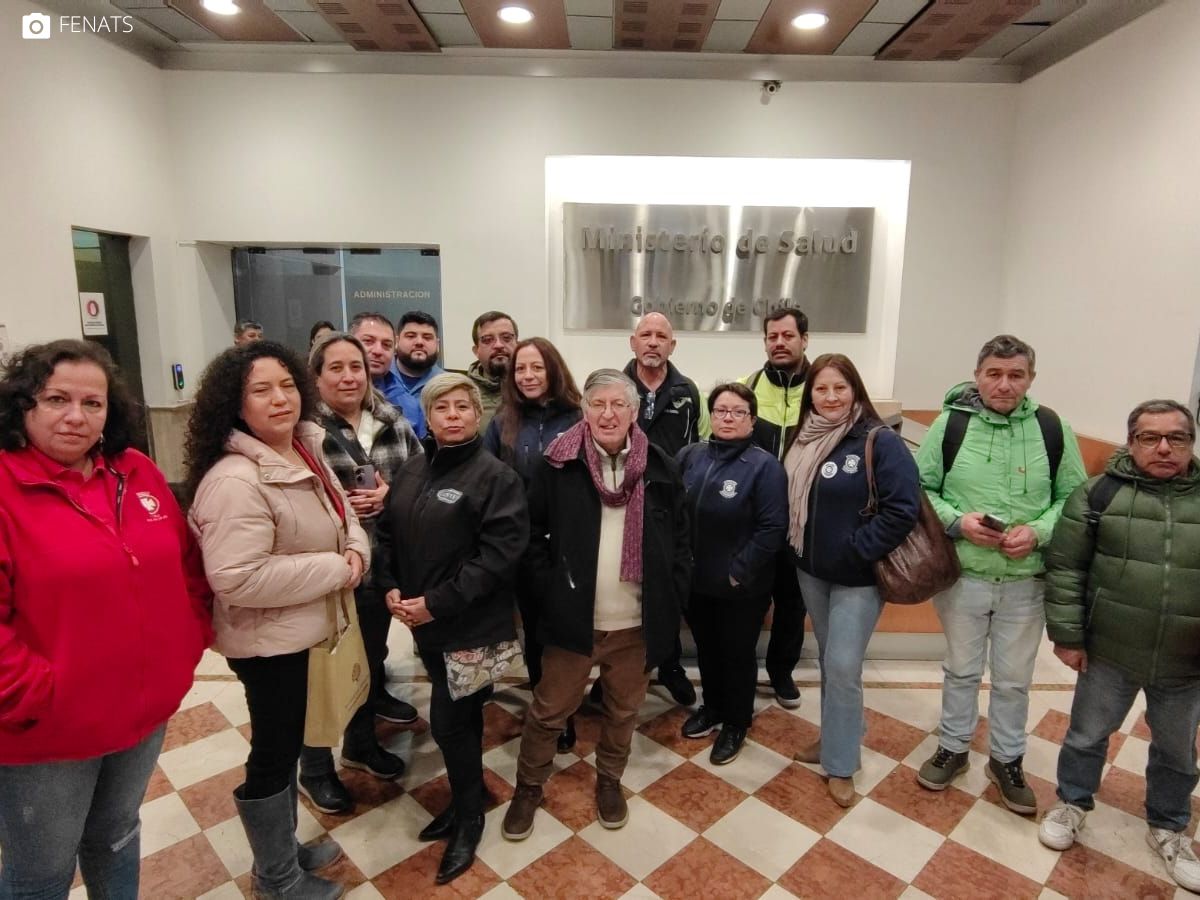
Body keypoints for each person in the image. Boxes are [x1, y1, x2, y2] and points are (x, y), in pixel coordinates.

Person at [0, 340, 212, 899]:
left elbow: (188, 568)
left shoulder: (136, 471)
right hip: (50, 730)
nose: (76, 416)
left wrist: (183, 647)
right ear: (23, 405)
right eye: (56, 399)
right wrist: (39, 695)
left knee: (117, 837)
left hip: (143, 711)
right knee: (42, 873)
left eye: (92, 403)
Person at [186, 340, 370, 900]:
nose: (280, 398)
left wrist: (356, 549)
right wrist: (337, 568)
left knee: (288, 747)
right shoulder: (235, 479)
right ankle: (277, 879)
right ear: (236, 405)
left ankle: (284, 850)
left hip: (303, 630)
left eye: (287, 385)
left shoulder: (304, 449)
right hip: (267, 643)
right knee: (273, 753)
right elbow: (237, 579)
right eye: (261, 390)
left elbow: (343, 512)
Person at [502, 369, 691, 841]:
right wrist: (549, 593)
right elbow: (530, 536)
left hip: (635, 626)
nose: (608, 414)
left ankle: (609, 780)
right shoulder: (557, 465)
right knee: (548, 712)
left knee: (623, 713)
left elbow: (682, 543)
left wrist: (671, 596)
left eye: (618, 404)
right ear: (584, 410)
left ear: (633, 412)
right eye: (598, 404)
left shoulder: (661, 467)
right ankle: (529, 786)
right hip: (573, 624)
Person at [915, 334, 1086, 814]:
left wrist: (1038, 531)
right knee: (961, 670)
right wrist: (959, 522)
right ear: (978, 376)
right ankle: (953, 747)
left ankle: (1007, 760)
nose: (1004, 384)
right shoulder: (950, 424)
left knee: (1013, 679)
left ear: (1031, 378)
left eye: (1015, 375)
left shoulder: (1053, 428)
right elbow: (920, 488)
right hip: (964, 576)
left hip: (1026, 579)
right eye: (994, 374)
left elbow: (1073, 499)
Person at [1039, 400, 1200, 893]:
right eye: (1150, 437)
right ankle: (1072, 802)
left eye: (1177, 437)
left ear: (1191, 444)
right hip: (1109, 649)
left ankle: (1169, 826)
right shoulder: (1098, 494)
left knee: (1177, 750)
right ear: (1131, 443)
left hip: (1186, 660)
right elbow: (1066, 569)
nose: (1164, 448)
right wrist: (1068, 636)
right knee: (1087, 735)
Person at [374, 373, 528, 885]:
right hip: (427, 627)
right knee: (456, 719)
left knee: (450, 722)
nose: (453, 415)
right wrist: (391, 584)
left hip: (473, 628)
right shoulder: (413, 469)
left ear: (478, 415)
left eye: (463, 406)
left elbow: (498, 558)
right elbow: (389, 534)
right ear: (429, 416)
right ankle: (469, 794)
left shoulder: (496, 477)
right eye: (442, 408)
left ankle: (470, 818)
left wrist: (436, 604)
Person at [784, 354, 921, 806]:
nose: (830, 397)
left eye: (839, 388)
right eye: (821, 389)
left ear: (855, 390)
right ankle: (835, 735)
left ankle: (841, 763)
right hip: (811, 572)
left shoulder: (880, 441)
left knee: (843, 666)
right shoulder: (803, 438)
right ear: (810, 395)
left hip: (857, 578)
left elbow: (903, 509)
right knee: (830, 661)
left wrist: (856, 549)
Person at [296, 333, 423, 816]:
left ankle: (361, 743)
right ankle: (314, 769)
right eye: (336, 368)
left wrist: (392, 494)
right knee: (319, 675)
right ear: (316, 377)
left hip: (380, 568)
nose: (349, 377)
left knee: (367, 662)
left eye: (356, 367)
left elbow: (422, 476)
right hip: (327, 571)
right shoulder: (302, 430)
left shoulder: (393, 421)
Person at [676, 383, 787, 765]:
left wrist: (739, 572)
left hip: (741, 586)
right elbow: (673, 511)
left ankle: (737, 721)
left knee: (737, 654)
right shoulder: (691, 456)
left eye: (738, 412)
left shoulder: (765, 467)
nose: (728, 417)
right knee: (707, 649)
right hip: (696, 581)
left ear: (752, 421)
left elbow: (773, 528)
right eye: (721, 410)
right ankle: (713, 707)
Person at [483, 337, 583, 751]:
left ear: (553, 370)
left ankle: (564, 709)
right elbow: (487, 479)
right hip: (522, 548)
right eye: (520, 369)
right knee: (537, 634)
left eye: (536, 367)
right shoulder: (502, 421)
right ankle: (547, 710)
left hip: (570, 545)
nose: (527, 376)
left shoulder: (579, 417)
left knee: (565, 634)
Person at [620, 311, 706, 707]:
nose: (653, 342)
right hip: (621, 501)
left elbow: (699, 446)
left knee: (667, 587)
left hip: (668, 507)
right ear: (633, 342)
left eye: (661, 336)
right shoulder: (615, 386)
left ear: (672, 346)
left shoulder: (688, 392)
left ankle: (669, 664)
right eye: (646, 335)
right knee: (624, 587)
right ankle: (619, 669)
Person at [740, 307, 812, 709]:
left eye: (788, 335)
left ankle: (782, 672)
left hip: (802, 523)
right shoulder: (746, 388)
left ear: (805, 339)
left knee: (792, 604)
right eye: (772, 336)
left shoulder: (822, 389)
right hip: (752, 524)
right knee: (747, 604)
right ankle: (740, 672)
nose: (779, 343)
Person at [389, 311, 444, 439]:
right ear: (397, 341)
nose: (419, 342)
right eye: (411, 336)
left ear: (437, 345)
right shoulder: (376, 378)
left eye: (427, 337)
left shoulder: (449, 386)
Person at [466, 310, 518, 430]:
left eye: (506, 338)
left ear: (518, 345)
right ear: (476, 351)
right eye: (487, 340)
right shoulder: (462, 392)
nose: (498, 345)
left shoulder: (534, 388)